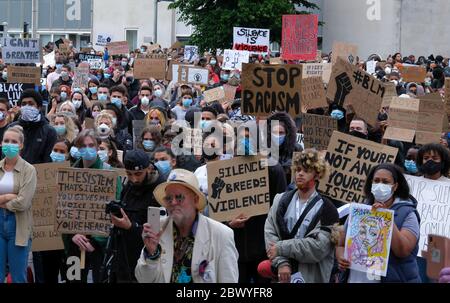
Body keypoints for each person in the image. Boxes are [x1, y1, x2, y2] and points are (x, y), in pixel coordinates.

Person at [135, 168, 239, 283]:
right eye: (168, 198)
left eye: (179, 197)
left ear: (195, 200)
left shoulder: (221, 234)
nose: (173, 202)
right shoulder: (158, 230)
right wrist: (151, 254)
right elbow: (143, 279)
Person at [336, 163, 421, 283]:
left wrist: (386, 216)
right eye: (376, 181)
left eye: (385, 182)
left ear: (395, 186)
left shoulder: (407, 213)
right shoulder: (360, 211)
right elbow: (341, 244)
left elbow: (403, 251)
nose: (380, 185)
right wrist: (341, 257)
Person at [264, 149, 339, 283]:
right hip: (282, 277)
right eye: (298, 169)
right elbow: (270, 233)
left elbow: (318, 247)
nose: (300, 174)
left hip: (311, 277)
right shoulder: (280, 200)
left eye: (306, 170)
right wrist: (282, 263)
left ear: (317, 174)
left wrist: (281, 248)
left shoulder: (328, 209)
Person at [63, 130, 116, 283]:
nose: (88, 148)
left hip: (99, 245)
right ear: (78, 149)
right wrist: (73, 234)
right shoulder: (68, 174)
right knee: (73, 280)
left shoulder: (110, 173)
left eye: (91, 145)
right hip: (75, 241)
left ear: (98, 146)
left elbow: (113, 212)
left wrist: (94, 240)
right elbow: (62, 208)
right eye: (83, 145)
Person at [107, 150, 165, 282]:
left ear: (148, 168)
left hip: (145, 260)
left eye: (138, 174)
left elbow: (157, 234)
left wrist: (130, 227)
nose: (134, 179)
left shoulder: (159, 192)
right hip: (123, 256)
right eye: (129, 174)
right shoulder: (130, 186)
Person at [0, 126, 37, 283]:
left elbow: (23, 202)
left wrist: (1, 202)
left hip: (19, 226)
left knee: (18, 276)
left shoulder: (29, 170)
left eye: (14, 141)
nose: (10, 144)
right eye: (6, 141)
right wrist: (9, 196)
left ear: (21, 145)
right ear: (1, 143)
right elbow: (18, 199)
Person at [9, 89, 57, 165]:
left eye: (31, 104)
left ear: (39, 107)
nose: (27, 106)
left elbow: (48, 160)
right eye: (24, 104)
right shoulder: (12, 128)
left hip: (37, 174)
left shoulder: (49, 131)